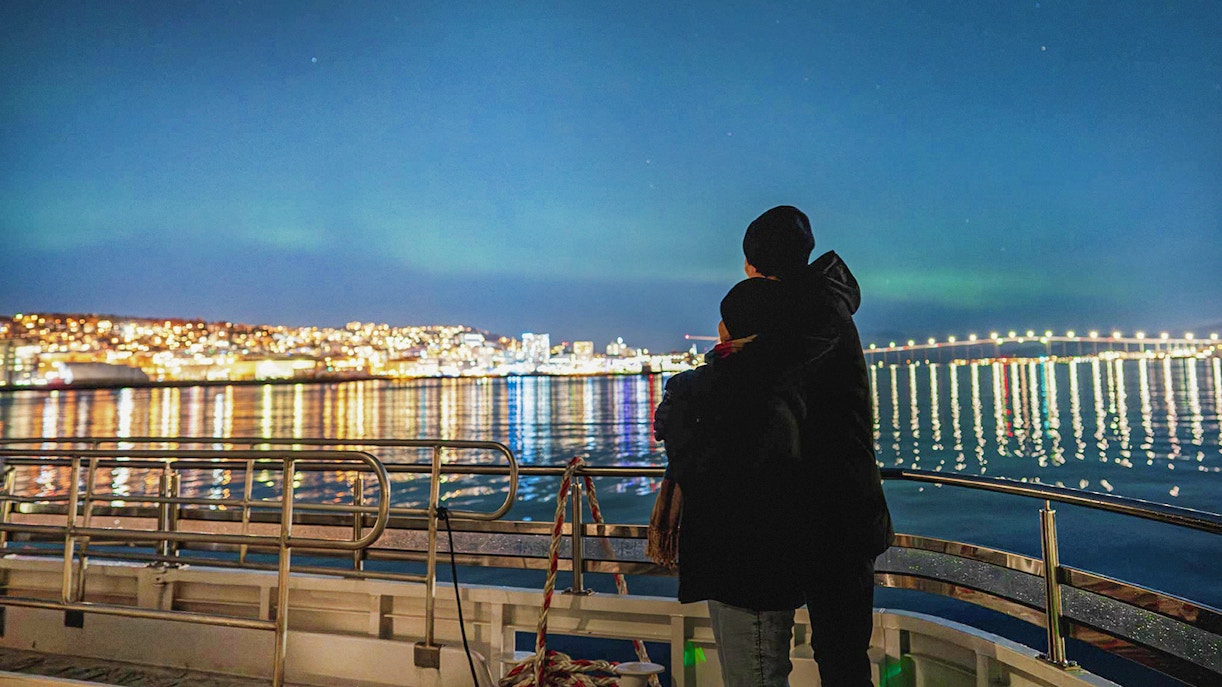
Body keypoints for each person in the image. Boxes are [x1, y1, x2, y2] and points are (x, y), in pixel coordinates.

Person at [741, 205, 895, 687]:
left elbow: (760, 397)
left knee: (826, 657)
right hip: (839, 511)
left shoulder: (803, 316)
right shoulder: (820, 308)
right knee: (840, 653)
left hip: (827, 517)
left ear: (757, 267)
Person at [650, 278, 809, 687]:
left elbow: (678, 439)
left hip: (744, 565)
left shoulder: (728, 386)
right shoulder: (789, 377)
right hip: (763, 560)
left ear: (730, 329)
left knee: (754, 675)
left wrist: (691, 383)